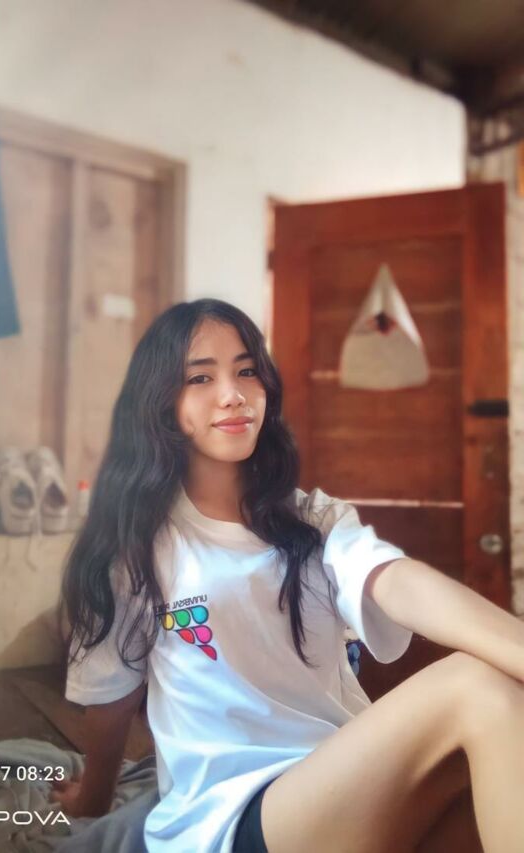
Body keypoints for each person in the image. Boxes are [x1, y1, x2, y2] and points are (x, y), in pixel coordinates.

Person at [52, 298, 524, 852]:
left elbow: (396, 582)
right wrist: (92, 799)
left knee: (495, 729)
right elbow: (110, 700)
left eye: (247, 371)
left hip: (347, 794)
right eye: (201, 377)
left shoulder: (313, 520)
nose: (233, 394)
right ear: (162, 401)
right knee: (475, 686)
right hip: (234, 820)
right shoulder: (135, 546)